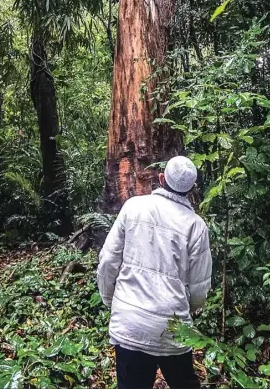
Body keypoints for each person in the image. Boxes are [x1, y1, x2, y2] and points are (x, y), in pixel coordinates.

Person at [97, 155, 212, 389]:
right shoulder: (196, 226)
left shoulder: (133, 207)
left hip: (130, 324)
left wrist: (111, 300)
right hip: (173, 328)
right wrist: (186, 309)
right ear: (191, 189)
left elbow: (108, 260)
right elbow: (199, 287)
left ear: (161, 178)